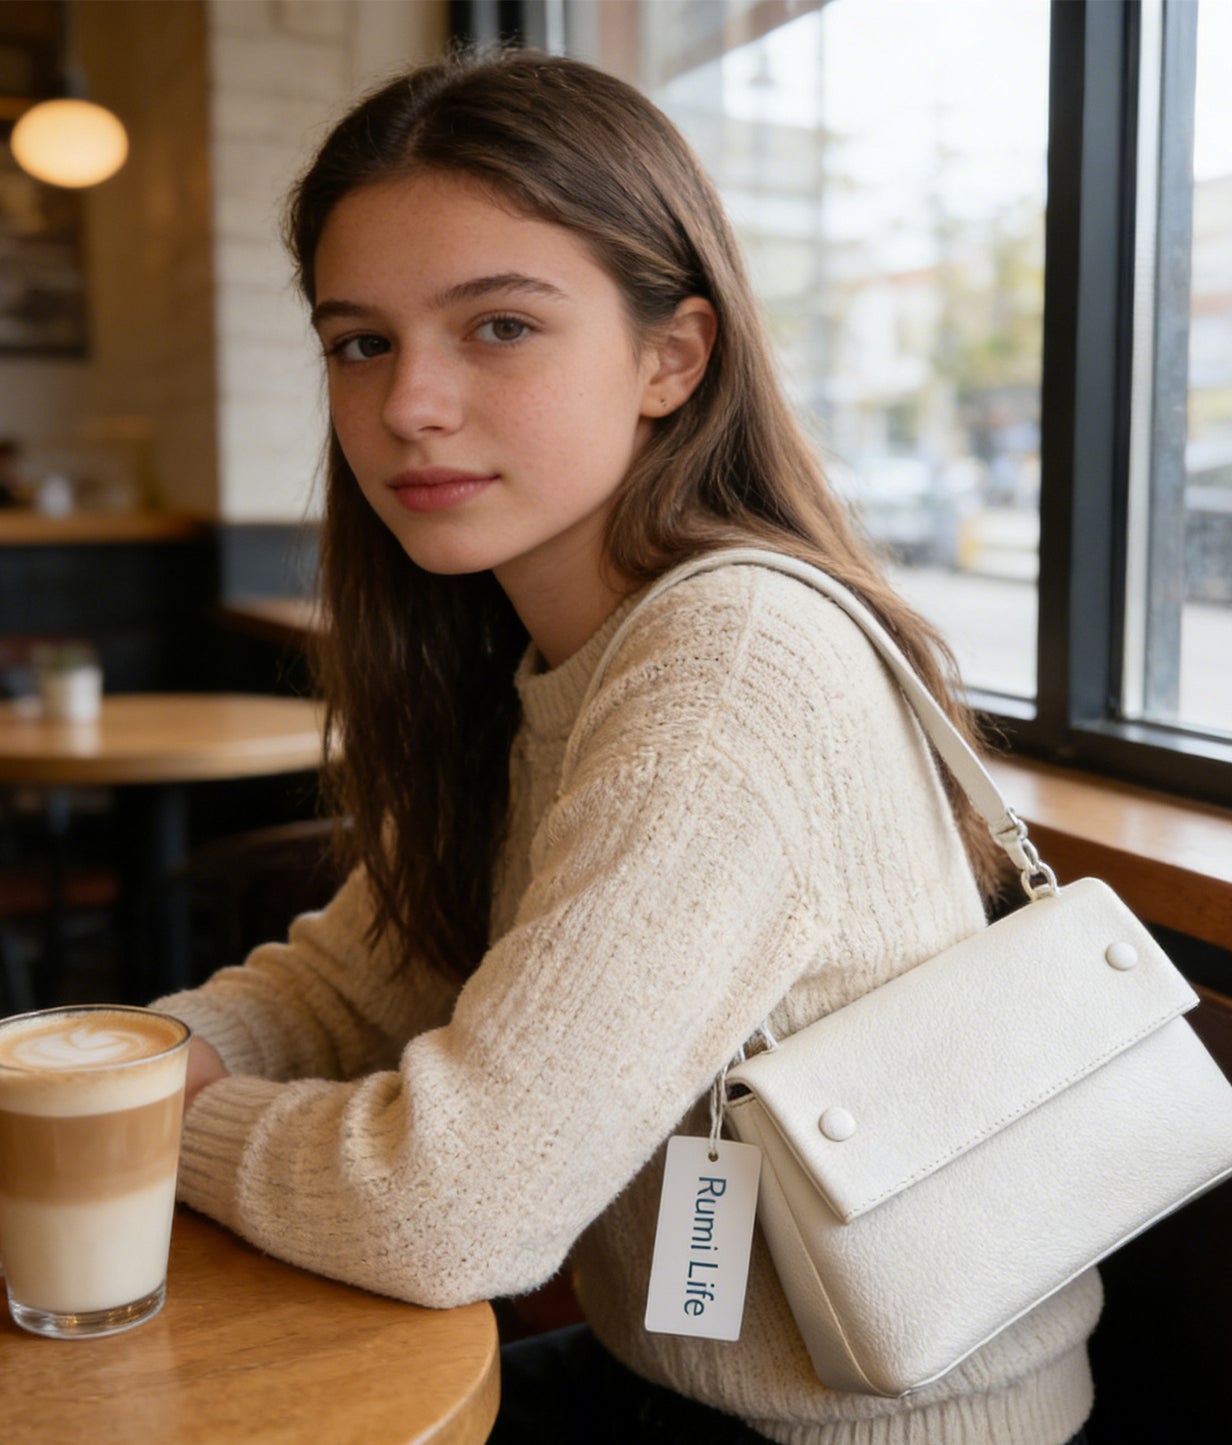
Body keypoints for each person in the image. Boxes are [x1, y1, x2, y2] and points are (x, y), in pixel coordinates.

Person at [153, 48, 1098, 1445]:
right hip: (665, 1383)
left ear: (672, 357)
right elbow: (350, 979)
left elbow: (453, 1208)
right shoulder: (530, 651)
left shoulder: (728, 664)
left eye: (497, 328)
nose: (408, 401)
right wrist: (122, 1057)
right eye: (361, 341)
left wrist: (144, 1124)